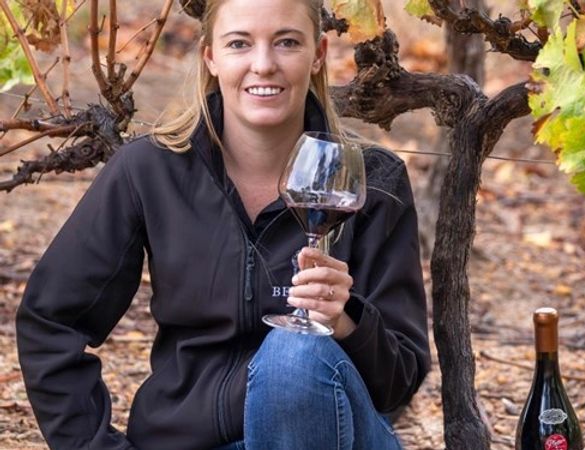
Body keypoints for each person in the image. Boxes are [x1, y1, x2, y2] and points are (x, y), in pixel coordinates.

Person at [16, 0, 430, 448]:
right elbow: (51, 321)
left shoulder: (371, 180)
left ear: (318, 54)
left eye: (287, 42)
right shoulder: (149, 170)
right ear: (210, 57)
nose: (263, 65)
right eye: (239, 44)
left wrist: (345, 321)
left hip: (332, 436)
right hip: (184, 440)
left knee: (294, 355)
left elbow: (398, 383)